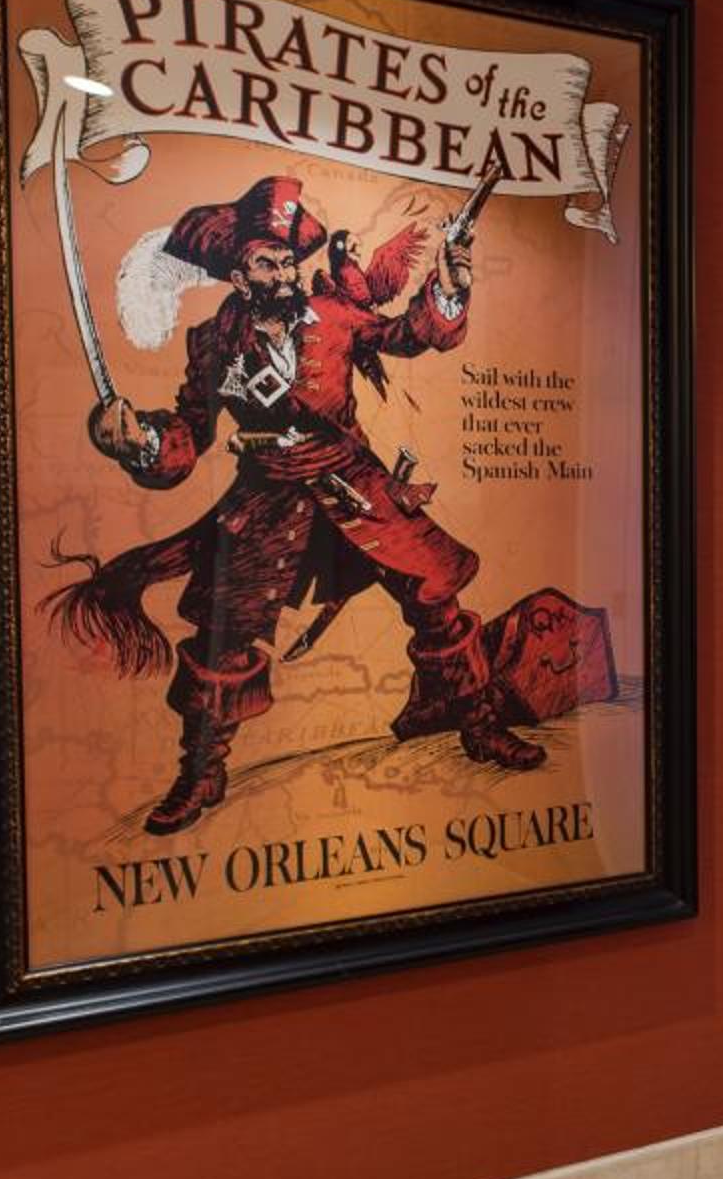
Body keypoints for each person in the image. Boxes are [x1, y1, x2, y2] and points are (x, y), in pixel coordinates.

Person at [54, 175, 547, 835]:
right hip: (267, 499)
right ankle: (202, 773)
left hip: (355, 483)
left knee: (435, 599)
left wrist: (449, 288)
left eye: (289, 262)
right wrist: (139, 441)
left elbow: (406, 334)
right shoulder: (213, 342)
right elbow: (189, 435)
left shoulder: (334, 314)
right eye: (269, 263)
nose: (286, 274)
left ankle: (480, 725)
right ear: (239, 276)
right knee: (223, 636)